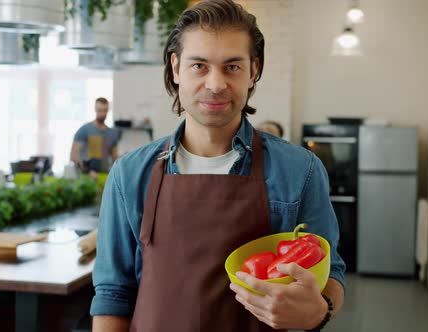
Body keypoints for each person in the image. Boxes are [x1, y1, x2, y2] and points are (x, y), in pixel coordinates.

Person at [90, 1, 346, 331]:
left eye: (232, 67)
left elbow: (331, 276)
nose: (215, 84)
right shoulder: (129, 175)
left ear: (253, 70)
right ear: (175, 67)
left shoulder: (300, 170)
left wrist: (318, 311)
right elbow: (114, 294)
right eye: (199, 66)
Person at [70, 97, 120, 179]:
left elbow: (115, 158)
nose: (103, 113)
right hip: (86, 178)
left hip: (105, 177)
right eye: (100, 110)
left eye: (105, 110)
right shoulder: (84, 130)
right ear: (95, 109)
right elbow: (74, 155)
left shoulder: (112, 133)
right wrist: (88, 171)